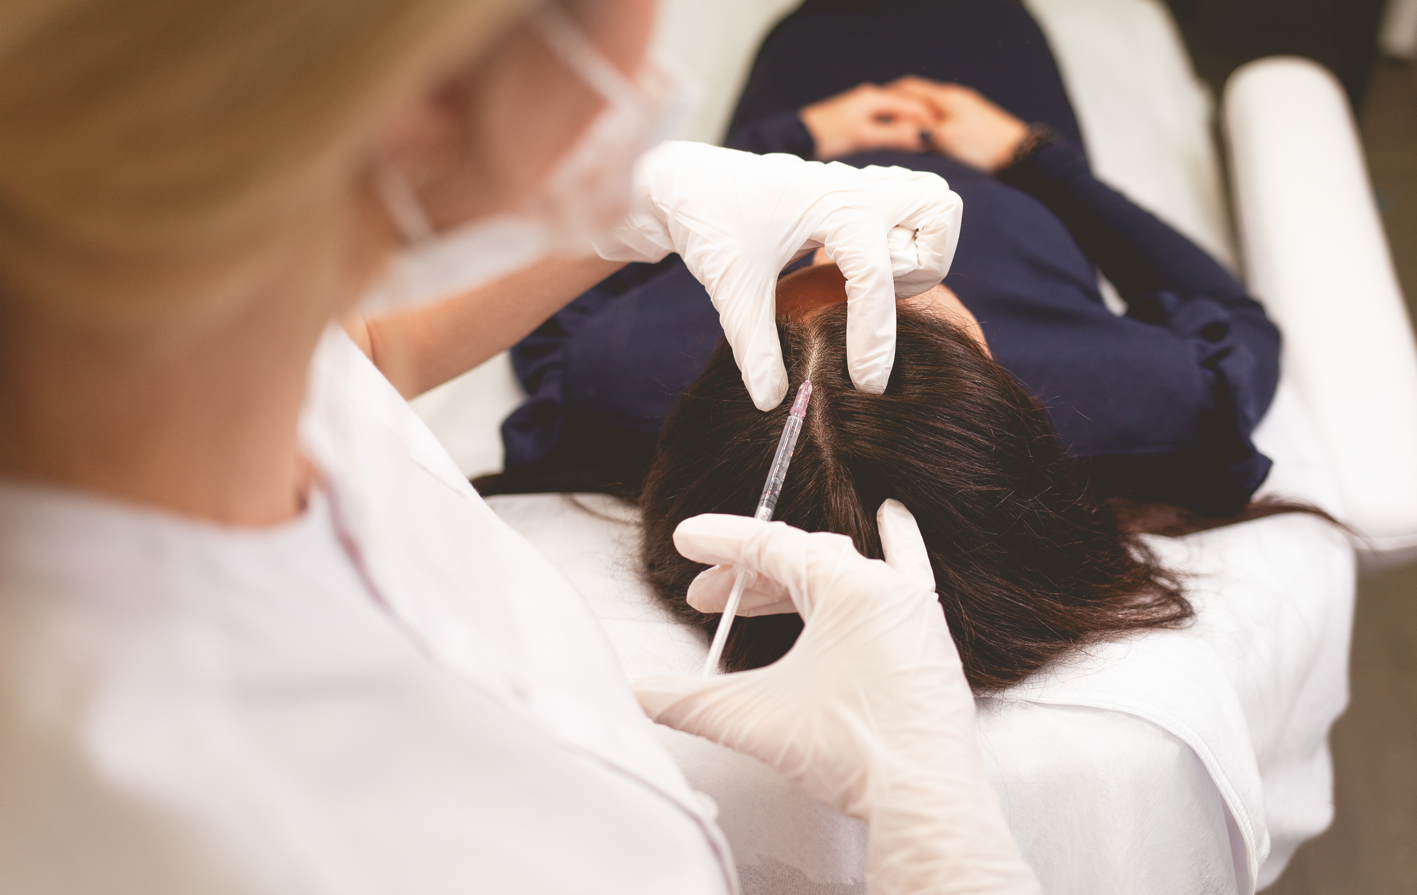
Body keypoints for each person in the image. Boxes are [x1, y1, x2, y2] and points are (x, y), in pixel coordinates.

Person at [0, 0, 1041, 893]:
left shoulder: (159, 354)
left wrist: (613, 218)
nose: (654, 71)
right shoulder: (202, 805)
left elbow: (353, 358)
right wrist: (945, 842)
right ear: (430, 104)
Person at [496, 0, 1282, 520]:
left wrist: (783, 145)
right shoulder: (1117, 395)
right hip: (979, 114)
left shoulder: (630, 377)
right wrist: (1033, 157)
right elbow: (1235, 319)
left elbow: (552, 302)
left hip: (816, 76)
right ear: (990, 389)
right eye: (916, 293)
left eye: (825, 287)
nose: (866, 254)